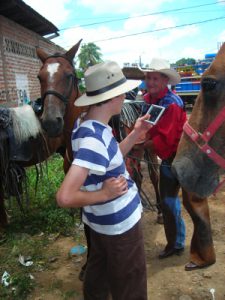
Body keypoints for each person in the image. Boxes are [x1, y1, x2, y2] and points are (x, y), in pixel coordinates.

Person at [57, 61, 152, 300]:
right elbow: (65, 196)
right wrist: (104, 194)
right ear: (114, 97)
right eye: (122, 93)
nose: (125, 97)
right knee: (131, 281)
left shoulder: (88, 126)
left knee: (99, 273)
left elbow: (109, 157)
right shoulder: (95, 138)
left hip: (100, 221)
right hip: (118, 224)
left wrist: (135, 134)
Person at [139, 58, 187, 259]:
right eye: (148, 78)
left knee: (169, 200)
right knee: (169, 199)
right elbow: (147, 127)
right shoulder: (149, 99)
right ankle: (177, 240)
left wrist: (136, 145)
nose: (150, 82)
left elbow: (165, 141)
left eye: (155, 78)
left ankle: (176, 243)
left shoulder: (172, 104)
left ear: (165, 80)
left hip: (177, 156)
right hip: (166, 154)